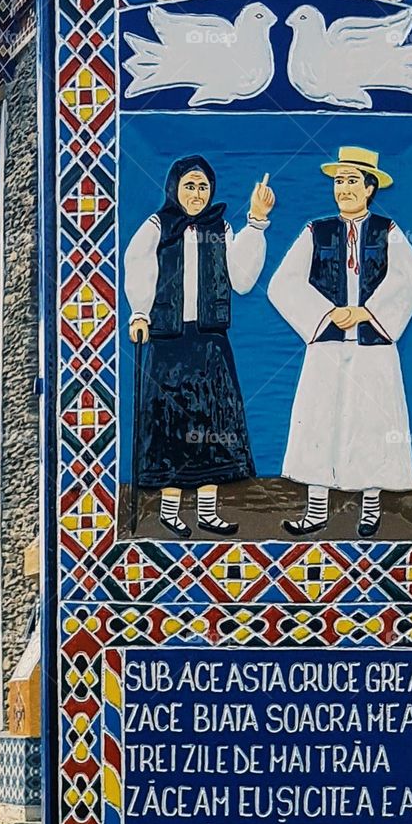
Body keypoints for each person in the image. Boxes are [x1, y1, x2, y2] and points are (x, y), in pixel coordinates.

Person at [268, 145, 412, 538]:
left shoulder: (387, 231)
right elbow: (282, 283)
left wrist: (369, 313)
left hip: (374, 346)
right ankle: (316, 509)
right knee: (318, 421)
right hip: (327, 346)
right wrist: (326, 314)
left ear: (370, 188)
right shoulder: (315, 231)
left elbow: (410, 279)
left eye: (353, 181)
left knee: (371, 423)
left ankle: (370, 508)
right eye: (339, 181)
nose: (344, 189)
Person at [124, 154, 275, 537]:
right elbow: (139, 264)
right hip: (168, 339)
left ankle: (207, 511)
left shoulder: (219, 227)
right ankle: (170, 512)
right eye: (189, 185)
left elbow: (241, 278)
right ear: (174, 187)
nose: (196, 194)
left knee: (212, 424)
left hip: (209, 339)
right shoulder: (159, 226)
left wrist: (256, 221)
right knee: (171, 426)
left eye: (203, 186)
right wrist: (140, 313)